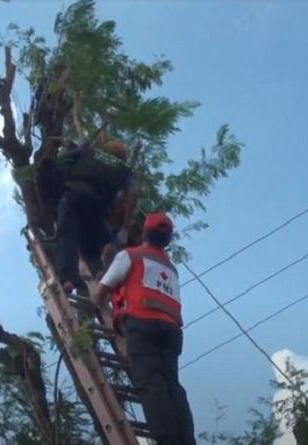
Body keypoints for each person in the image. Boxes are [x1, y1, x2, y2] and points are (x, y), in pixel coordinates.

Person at [91, 212, 196, 445]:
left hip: (141, 323)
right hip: (171, 330)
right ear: (167, 240)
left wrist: (96, 306)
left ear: (144, 234)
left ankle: (167, 440)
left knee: (150, 383)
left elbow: (101, 290)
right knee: (172, 386)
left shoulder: (130, 255)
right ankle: (186, 440)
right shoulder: (170, 268)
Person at [53, 139, 133, 294]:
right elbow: (132, 195)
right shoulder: (125, 171)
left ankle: (68, 279)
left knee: (67, 236)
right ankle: (99, 272)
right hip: (98, 207)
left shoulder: (89, 152)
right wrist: (125, 227)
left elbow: (61, 162)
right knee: (91, 247)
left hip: (74, 195)